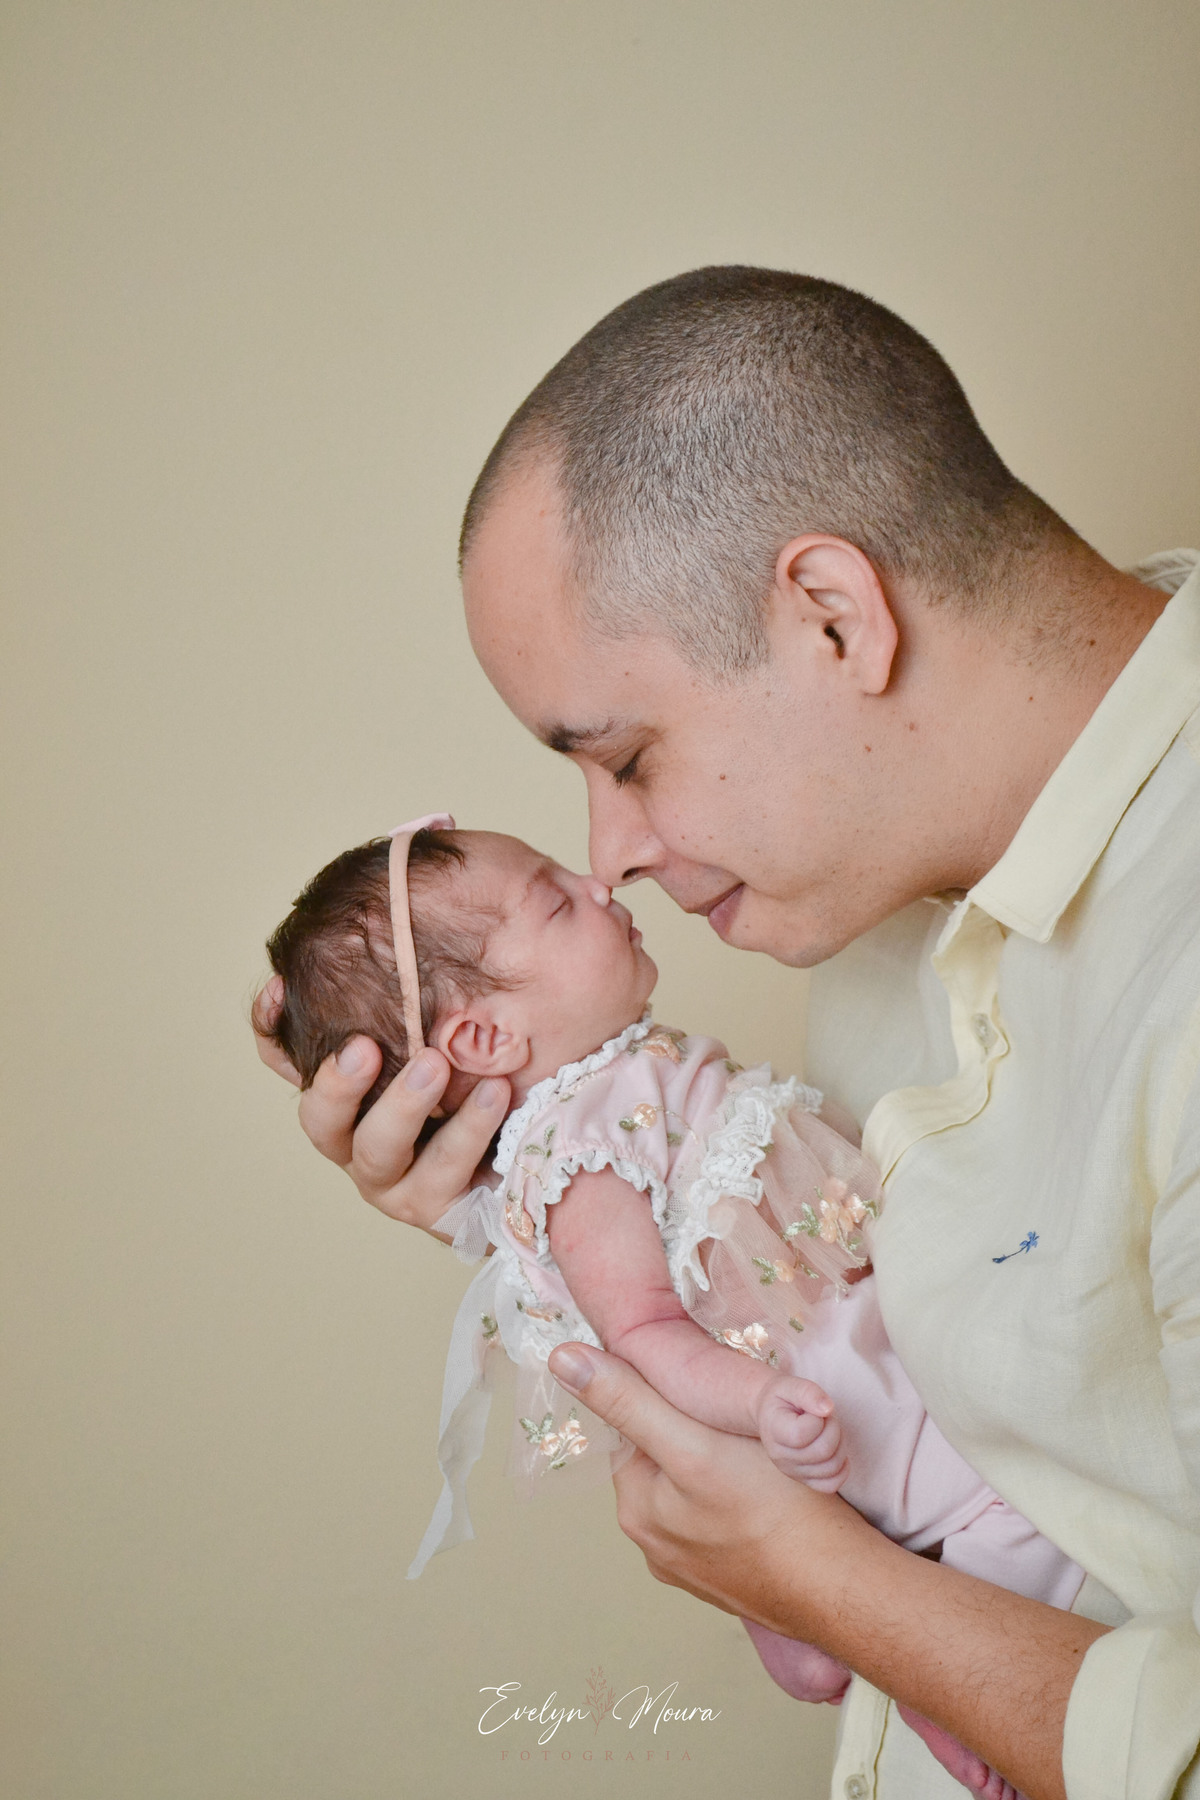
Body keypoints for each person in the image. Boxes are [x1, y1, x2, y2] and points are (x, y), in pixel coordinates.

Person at [255, 267, 1200, 1800]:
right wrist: (497, 1174)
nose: (609, 851)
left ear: (835, 617)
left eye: (626, 757)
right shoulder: (886, 878)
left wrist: (820, 1584)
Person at [259, 819, 1082, 1798]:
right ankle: (942, 1702)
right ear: (484, 1037)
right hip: (809, 1377)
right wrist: (763, 1409)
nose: (603, 883)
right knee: (1003, 1501)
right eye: (559, 899)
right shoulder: (578, 1148)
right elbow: (642, 1334)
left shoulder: (617, 1077)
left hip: (812, 1337)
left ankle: (814, 1640)